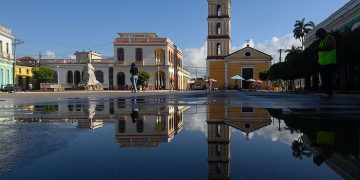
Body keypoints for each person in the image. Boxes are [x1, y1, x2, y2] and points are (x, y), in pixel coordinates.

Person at [316, 28, 337, 97]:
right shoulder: (322, 41)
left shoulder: (329, 38)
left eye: (319, 35)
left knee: (328, 78)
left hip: (329, 62)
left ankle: (329, 93)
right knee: (324, 78)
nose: (319, 37)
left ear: (324, 33)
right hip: (323, 63)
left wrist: (318, 49)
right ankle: (326, 92)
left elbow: (329, 47)